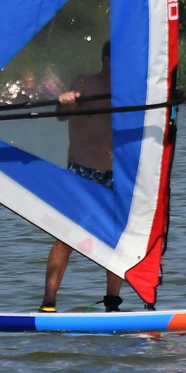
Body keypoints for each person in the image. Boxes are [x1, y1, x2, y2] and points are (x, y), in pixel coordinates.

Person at [40, 41, 125, 313]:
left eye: (121, 59)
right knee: (65, 238)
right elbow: (61, 117)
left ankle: (112, 304)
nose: (115, 63)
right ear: (104, 59)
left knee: (119, 239)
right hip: (82, 171)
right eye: (111, 58)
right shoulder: (84, 83)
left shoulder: (133, 89)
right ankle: (48, 303)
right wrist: (65, 103)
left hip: (118, 175)